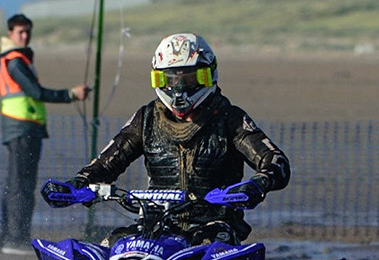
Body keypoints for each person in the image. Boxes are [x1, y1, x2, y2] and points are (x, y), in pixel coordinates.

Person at [70, 33, 289, 246]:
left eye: (189, 78)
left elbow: (276, 161)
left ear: (208, 76)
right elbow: (107, 162)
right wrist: (78, 182)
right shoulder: (146, 118)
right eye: (169, 79)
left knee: (210, 250)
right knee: (112, 246)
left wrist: (258, 183)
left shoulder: (230, 118)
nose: (178, 88)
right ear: (157, 79)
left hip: (214, 225)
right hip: (156, 224)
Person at [0, 13, 89, 254]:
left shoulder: (17, 58)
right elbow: (37, 93)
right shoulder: (15, 60)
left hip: (25, 127)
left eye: (27, 31)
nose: (25, 35)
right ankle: (15, 240)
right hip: (22, 127)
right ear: (10, 33)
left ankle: (9, 237)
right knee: (21, 186)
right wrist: (71, 95)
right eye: (20, 32)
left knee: (16, 185)